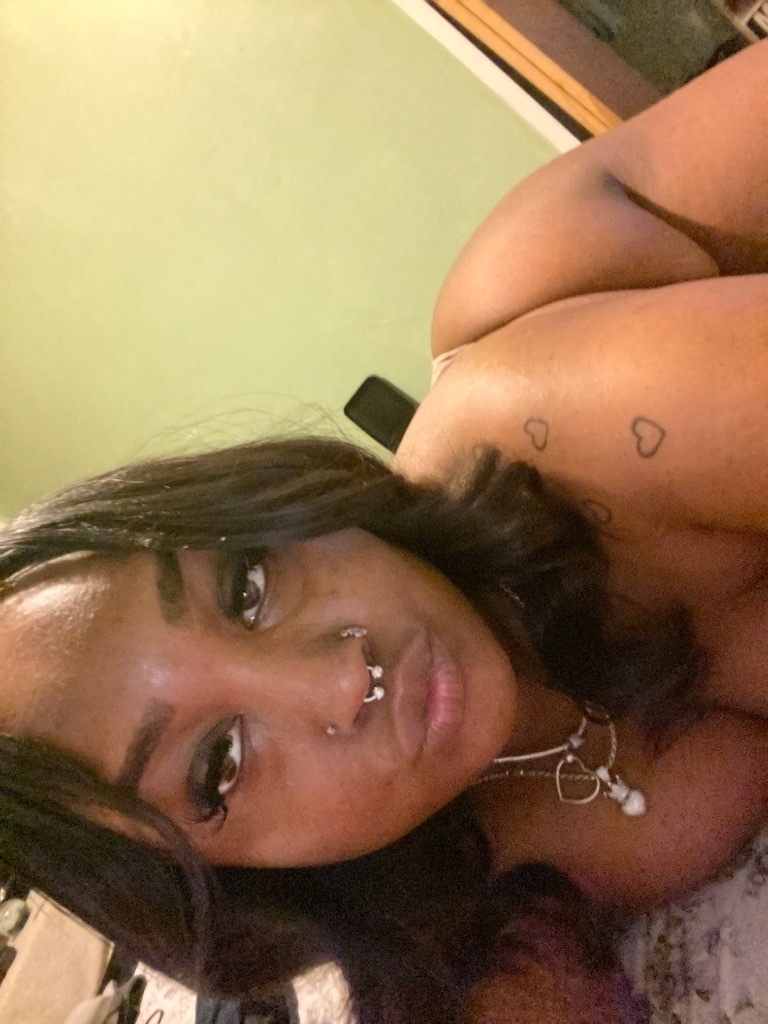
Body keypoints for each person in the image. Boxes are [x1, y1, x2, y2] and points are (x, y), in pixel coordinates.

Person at [0, 38, 767, 1024]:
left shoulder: (557, 432)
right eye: (219, 765)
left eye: (245, 586)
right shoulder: (431, 880)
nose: (340, 678)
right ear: (225, 877)